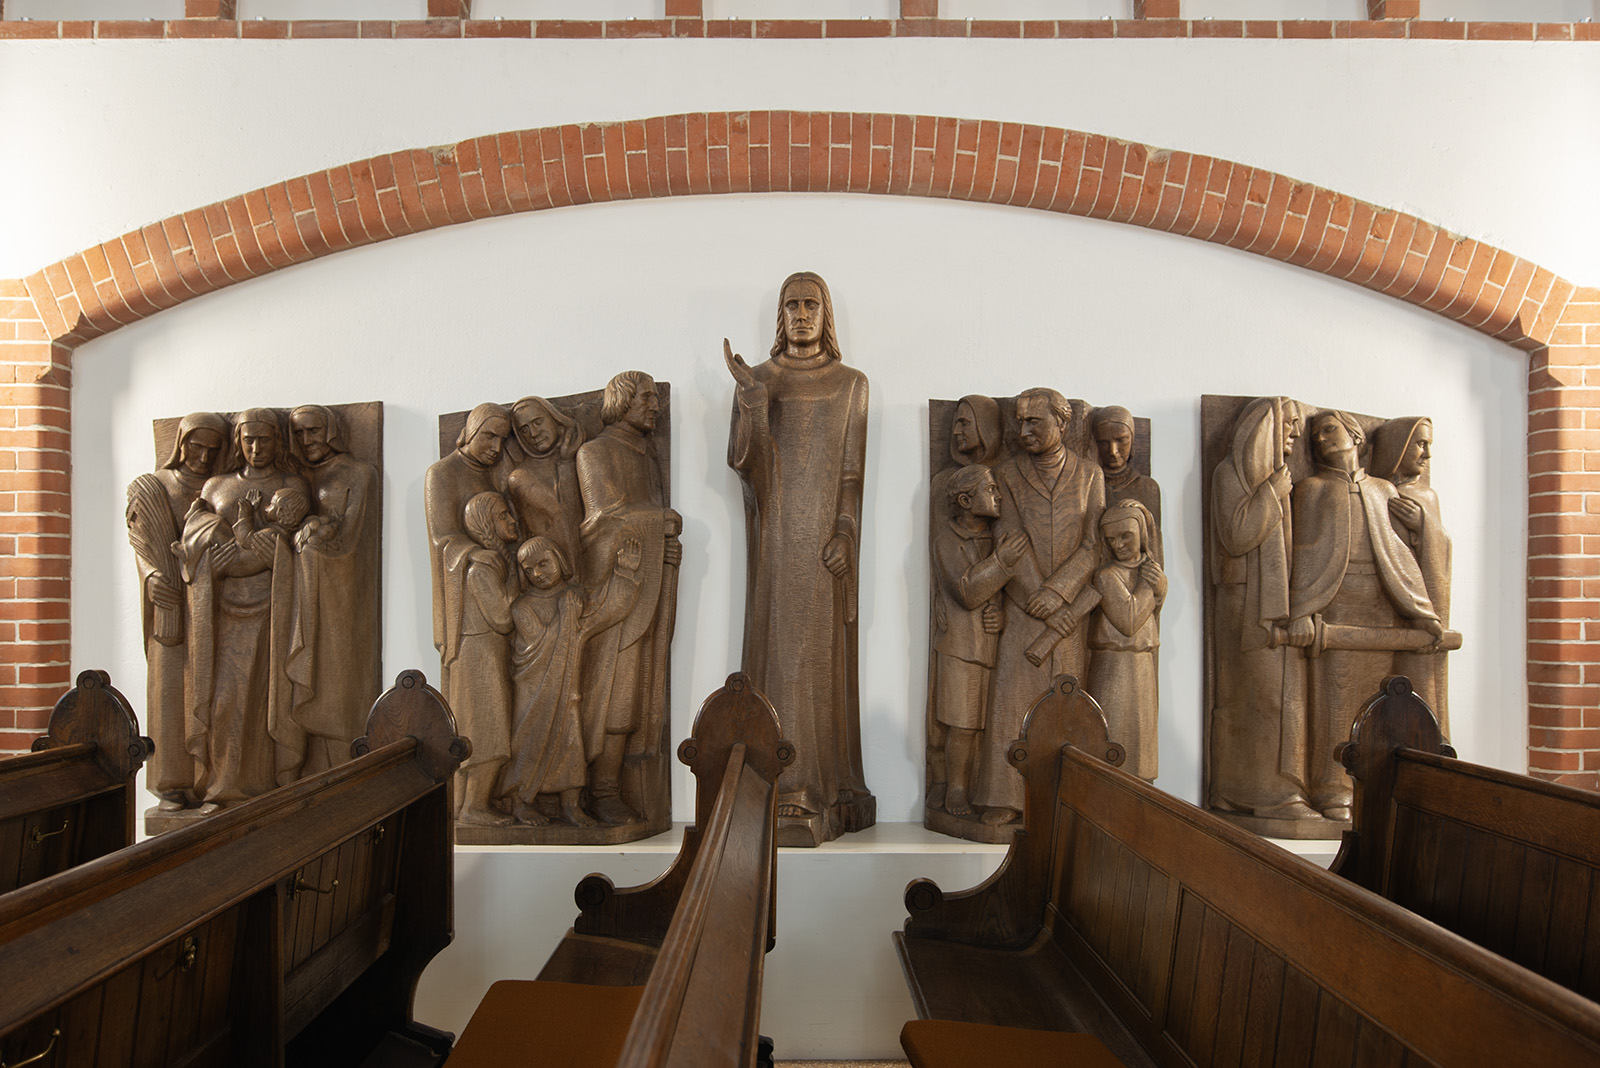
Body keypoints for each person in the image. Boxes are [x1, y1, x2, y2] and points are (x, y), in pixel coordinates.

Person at [725, 271, 875, 844]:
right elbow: (746, 463)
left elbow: (853, 473)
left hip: (821, 545)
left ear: (826, 314)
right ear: (780, 317)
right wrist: (753, 401)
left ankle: (820, 783)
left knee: (817, 655)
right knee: (780, 651)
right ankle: (782, 784)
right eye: (792, 305)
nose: (802, 314)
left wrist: (844, 529)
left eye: (812, 304)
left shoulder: (851, 384)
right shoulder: (757, 379)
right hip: (777, 538)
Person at [1287, 410, 1441, 820]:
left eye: (1329, 430)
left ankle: (1377, 789)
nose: (1320, 439)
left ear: (1356, 436)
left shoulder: (1382, 490)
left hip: (1383, 606)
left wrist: (1421, 610)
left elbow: (1399, 555)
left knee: (1382, 703)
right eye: (1315, 434)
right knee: (1335, 703)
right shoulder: (1311, 489)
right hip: (1336, 606)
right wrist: (1303, 610)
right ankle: (1333, 789)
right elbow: (1303, 556)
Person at [976, 387, 1104, 826]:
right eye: (1020, 422)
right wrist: (1038, 597)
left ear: (1062, 424)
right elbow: (1008, 538)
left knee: (1067, 707)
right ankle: (1003, 796)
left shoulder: (1090, 474)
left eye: (1035, 422)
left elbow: (1093, 544)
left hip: (1069, 614)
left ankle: (1068, 802)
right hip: (1025, 608)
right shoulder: (1007, 474)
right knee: (1011, 701)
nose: (1024, 430)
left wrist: (1061, 592)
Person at [181, 409, 309, 810]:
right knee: (223, 701)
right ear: (237, 441)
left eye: (265, 440)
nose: (255, 448)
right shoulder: (216, 486)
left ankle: (266, 786)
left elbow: (283, 550)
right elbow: (193, 537)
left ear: (278, 442)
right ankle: (221, 787)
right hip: (221, 613)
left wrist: (256, 548)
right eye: (248, 440)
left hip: (272, 611)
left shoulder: (292, 485)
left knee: (265, 701)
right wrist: (206, 563)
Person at [575, 371, 681, 826]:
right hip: (614, 590)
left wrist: (665, 550)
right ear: (619, 401)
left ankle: (614, 785)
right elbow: (602, 521)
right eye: (645, 398)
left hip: (646, 585)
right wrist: (659, 523)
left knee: (636, 692)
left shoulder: (649, 457)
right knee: (612, 690)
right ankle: (598, 789)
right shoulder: (595, 452)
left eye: (656, 399)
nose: (654, 407)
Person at [1208, 396, 1315, 820]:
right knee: (1254, 698)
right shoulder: (1230, 473)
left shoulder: (1279, 476)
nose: (1292, 434)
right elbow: (1235, 535)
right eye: (1288, 425)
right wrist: (1272, 492)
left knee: (1277, 695)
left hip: (1277, 602)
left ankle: (1270, 790)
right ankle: (1259, 793)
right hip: (1243, 601)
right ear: (1265, 426)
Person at [125, 411, 229, 812]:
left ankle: (212, 779)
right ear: (180, 444)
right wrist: (151, 576)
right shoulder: (155, 486)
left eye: (211, 450)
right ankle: (171, 784)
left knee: (212, 691)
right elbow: (141, 544)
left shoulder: (217, 489)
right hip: (168, 602)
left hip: (209, 604)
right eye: (195, 446)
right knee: (170, 691)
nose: (202, 456)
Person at [282, 403, 383, 777]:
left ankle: (341, 771)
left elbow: (351, 538)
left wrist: (317, 539)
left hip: (340, 594)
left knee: (337, 681)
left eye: (313, 430)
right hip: (302, 596)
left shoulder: (358, 473)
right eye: (299, 433)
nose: (306, 439)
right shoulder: (294, 478)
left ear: (332, 430)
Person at [931, 465, 1027, 818]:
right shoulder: (947, 542)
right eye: (990, 489)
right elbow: (967, 590)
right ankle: (957, 785)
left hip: (994, 646)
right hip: (960, 648)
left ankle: (984, 785)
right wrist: (1002, 563)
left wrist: (1000, 616)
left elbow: (1002, 595)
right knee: (963, 724)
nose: (998, 495)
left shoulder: (995, 538)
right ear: (966, 500)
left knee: (990, 723)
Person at [502, 536, 597, 828]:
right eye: (529, 570)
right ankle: (520, 802)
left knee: (570, 743)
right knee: (529, 742)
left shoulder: (575, 595)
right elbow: (542, 645)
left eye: (544, 563)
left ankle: (570, 805)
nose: (538, 573)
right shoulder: (522, 607)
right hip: (534, 692)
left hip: (567, 687)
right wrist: (565, 614)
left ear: (559, 558)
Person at [425, 403, 512, 700]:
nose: (496, 447)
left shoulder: (493, 474)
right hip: (464, 595)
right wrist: (475, 553)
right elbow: (441, 537)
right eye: (489, 436)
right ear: (471, 431)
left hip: (495, 580)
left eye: (502, 440)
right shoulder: (441, 473)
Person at [1372, 416, 1452, 732]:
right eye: (1420, 444)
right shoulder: (1376, 491)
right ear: (1398, 447)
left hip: (1421, 607)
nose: (1426, 454)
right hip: (1381, 606)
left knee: (1421, 684)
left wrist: (1423, 525)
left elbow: (1442, 550)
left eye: (1428, 445)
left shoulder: (1426, 497)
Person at [445, 491, 519, 827]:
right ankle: (474, 808)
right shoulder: (481, 568)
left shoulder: (491, 561)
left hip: (486, 652)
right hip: (479, 656)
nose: (512, 521)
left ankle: (474, 804)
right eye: (504, 516)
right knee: (487, 731)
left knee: (489, 728)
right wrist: (519, 584)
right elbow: (503, 618)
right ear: (487, 523)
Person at [1086, 500, 1166, 781]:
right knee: (1112, 740)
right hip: (1113, 668)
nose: (1118, 545)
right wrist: (1149, 586)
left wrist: (1159, 589)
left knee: (1141, 745)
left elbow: (1151, 617)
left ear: (1141, 534)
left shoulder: (1149, 569)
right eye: (1111, 539)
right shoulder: (1106, 576)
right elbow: (1129, 621)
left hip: (1142, 666)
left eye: (1125, 536)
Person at [507, 396, 586, 571]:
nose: (533, 434)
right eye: (524, 430)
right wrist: (566, 464)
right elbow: (563, 517)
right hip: (556, 572)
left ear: (555, 419)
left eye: (538, 422)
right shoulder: (520, 477)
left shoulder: (585, 454)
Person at [1090, 405, 1162, 566]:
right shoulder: (1088, 484)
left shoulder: (1147, 487)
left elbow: (1153, 552)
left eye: (1121, 440)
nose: (1112, 451)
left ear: (1132, 438)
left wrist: (1145, 517)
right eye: (1103, 443)